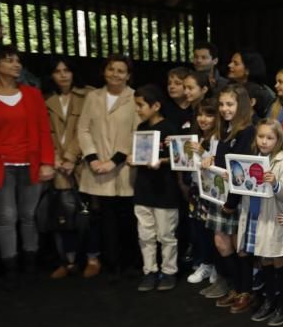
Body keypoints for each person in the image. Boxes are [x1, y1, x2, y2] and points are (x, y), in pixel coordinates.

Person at [0, 45, 55, 284]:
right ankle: (11, 269)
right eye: (9, 61)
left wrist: (48, 162)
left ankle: (30, 265)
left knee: (28, 215)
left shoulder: (32, 94)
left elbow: (44, 131)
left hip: (31, 163)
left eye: (18, 61)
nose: (17, 65)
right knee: (6, 216)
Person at [77, 53, 138, 281]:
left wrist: (114, 161)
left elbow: (137, 133)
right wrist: (92, 158)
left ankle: (130, 263)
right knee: (105, 218)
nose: (115, 74)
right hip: (97, 168)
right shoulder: (93, 96)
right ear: (104, 71)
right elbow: (83, 129)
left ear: (128, 75)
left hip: (123, 168)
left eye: (121, 71)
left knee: (127, 218)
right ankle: (112, 265)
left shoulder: (134, 98)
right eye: (111, 69)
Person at [198, 84, 256, 303]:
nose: (224, 108)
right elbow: (222, 162)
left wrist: (231, 202)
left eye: (229, 104)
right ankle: (234, 287)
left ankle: (245, 291)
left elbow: (239, 170)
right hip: (220, 196)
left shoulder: (247, 131)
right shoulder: (223, 129)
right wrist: (209, 160)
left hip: (236, 198)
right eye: (221, 104)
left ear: (240, 105)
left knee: (239, 246)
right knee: (222, 243)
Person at [236, 119, 283, 320]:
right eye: (261, 136)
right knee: (263, 258)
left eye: (270, 138)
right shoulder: (252, 158)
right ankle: (269, 300)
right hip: (255, 215)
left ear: (278, 140)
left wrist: (276, 183)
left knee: (277, 259)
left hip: (272, 218)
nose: (264, 141)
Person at [43, 56, 88, 279]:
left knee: (88, 213)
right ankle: (67, 261)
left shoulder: (88, 95)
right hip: (56, 165)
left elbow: (86, 130)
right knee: (61, 214)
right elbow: (42, 132)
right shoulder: (45, 99)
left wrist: (71, 157)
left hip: (82, 164)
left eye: (66, 70)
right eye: (57, 71)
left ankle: (92, 258)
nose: (62, 74)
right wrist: (53, 157)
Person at [132, 85, 180, 292]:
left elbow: (180, 159)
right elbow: (139, 155)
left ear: (156, 106)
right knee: (145, 235)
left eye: (141, 105)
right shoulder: (141, 129)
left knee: (166, 235)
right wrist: (132, 159)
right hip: (143, 190)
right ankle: (149, 271)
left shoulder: (170, 129)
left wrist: (162, 161)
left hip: (165, 191)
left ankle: (169, 271)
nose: (138, 109)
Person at [183, 98, 219, 285]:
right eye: (200, 114)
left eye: (209, 115)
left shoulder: (217, 138)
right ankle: (204, 263)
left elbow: (214, 164)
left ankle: (214, 266)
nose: (203, 119)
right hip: (197, 189)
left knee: (210, 230)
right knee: (198, 229)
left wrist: (203, 151)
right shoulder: (195, 136)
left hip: (212, 191)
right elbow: (188, 163)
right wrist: (177, 148)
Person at [226, 49, 276, 119]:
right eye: (231, 62)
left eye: (236, 63)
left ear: (247, 70)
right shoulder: (229, 86)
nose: (229, 65)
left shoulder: (259, 92)